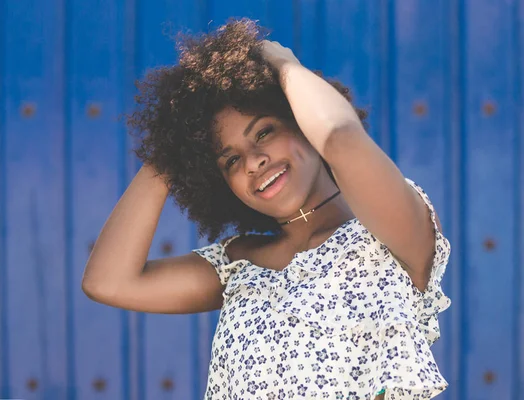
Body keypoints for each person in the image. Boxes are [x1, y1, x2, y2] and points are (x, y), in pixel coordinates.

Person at [81, 19, 451, 400]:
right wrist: (173, 143)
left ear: (301, 122)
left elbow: (341, 138)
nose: (253, 162)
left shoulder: (392, 234)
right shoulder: (240, 263)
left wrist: (283, 65)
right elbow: (107, 282)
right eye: (229, 161)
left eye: (264, 132)